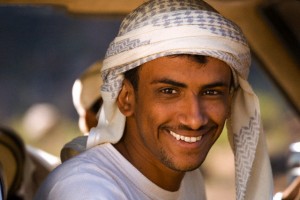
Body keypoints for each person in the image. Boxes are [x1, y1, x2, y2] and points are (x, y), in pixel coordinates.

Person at [34, 0, 274, 199]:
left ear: (230, 101)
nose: (194, 119)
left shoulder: (186, 177)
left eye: (211, 92)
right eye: (169, 92)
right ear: (126, 98)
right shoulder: (85, 191)